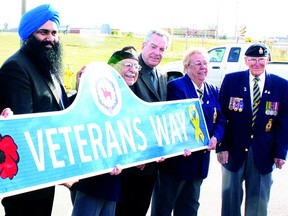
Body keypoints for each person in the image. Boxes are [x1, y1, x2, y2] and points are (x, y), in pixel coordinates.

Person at [0, 4, 78, 215]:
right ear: (28, 35)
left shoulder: (46, 66)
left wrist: (83, 90)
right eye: (43, 32)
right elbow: (25, 128)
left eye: (54, 33)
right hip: (26, 184)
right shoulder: (16, 67)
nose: (50, 38)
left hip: (44, 180)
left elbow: (59, 108)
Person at [150, 47, 225, 216]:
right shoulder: (176, 87)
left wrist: (216, 137)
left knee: (190, 207)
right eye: (198, 64)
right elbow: (174, 122)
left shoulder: (212, 89)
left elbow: (220, 118)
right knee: (163, 207)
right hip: (177, 162)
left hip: (199, 164)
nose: (203, 67)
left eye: (205, 63)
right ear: (186, 67)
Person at [216, 43, 288, 216]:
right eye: (253, 60)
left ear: (268, 60)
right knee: (230, 202)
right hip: (232, 152)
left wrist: (280, 152)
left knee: (258, 205)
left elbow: (284, 122)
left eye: (261, 60)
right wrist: (221, 146)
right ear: (246, 60)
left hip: (264, 153)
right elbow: (221, 116)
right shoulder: (231, 80)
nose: (257, 64)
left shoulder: (281, 85)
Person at [70, 46, 141, 216]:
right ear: (113, 68)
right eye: (127, 65)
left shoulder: (131, 99)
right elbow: (73, 118)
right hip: (92, 181)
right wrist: (81, 90)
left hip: (114, 181)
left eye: (136, 66)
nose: (133, 70)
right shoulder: (96, 91)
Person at [115, 29, 171, 216]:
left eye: (162, 49)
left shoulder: (163, 75)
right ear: (143, 46)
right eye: (153, 46)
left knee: (140, 208)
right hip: (131, 163)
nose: (157, 52)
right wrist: (135, 155)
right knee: (123, 210)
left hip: (153, 162)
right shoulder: (130, 70)